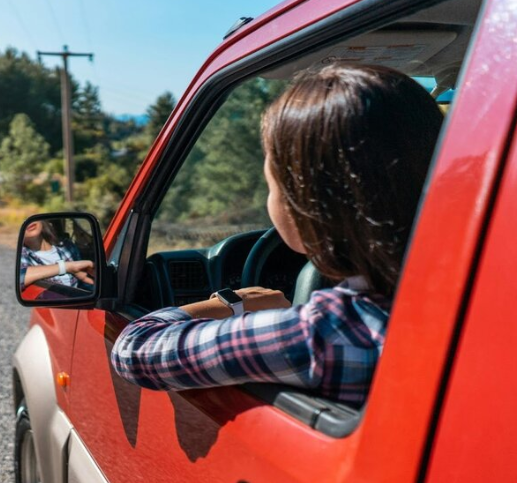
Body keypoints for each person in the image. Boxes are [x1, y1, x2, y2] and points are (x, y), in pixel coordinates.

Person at [111, 64, 444, 405]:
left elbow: (134, 349)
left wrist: (233, 303)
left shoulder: (323, 334)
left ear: (307, 204)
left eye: (272, 185)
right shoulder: (465, 301)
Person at [19, 220, 94, 290]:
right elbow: (18, 278)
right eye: (19, 219)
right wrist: (67, 267)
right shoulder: (20, 255)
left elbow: (82, 282)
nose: (28, 221)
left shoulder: (67, 246)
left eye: (30, 215)